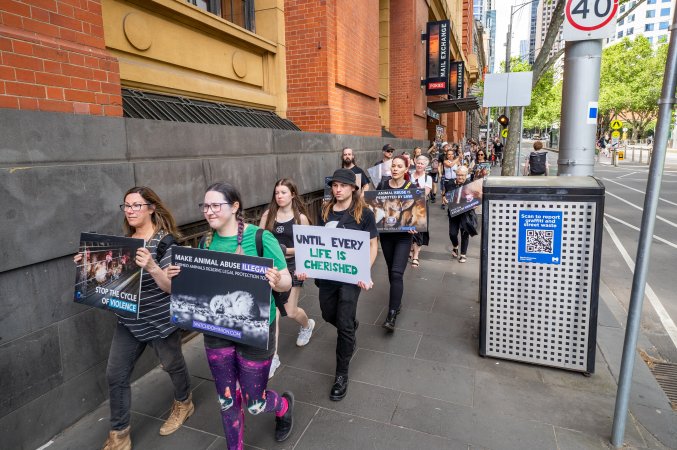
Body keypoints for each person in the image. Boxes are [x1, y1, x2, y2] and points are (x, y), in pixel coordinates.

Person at [169, 182, 294, 448]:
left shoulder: (261, 238)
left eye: (216, 205)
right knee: (227, 399)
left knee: (255, 403)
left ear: (235, 206)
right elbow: (199, 286)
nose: (209, 211)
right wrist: (179, 277)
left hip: (255, 331)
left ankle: (283, 405)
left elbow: (287, 281)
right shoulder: (205, 241)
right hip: (217, 332)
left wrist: (276, 280)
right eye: (205, 206)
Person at [73, 186, 193, 450]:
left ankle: (184, 402)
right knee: (115, 374)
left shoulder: (165, 243)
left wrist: (152, 266)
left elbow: (172, 288)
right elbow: (110, 280)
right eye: (126, 205)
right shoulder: (124, 243)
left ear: (151, 208)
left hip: (160, 321)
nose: (130, 210)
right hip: (129, 320)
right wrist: (87, 265)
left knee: (172, 365)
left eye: (136, 205)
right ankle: (119, 434)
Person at [297, 169, 378, 401]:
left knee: (343, 324)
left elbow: (373, 245)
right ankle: (351, 328)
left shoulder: (365, 214)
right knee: (327, 313)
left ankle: (341, 375)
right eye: (334, 185)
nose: (338, 189)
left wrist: (366, 271)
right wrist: (306, 266)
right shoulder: (325, 211)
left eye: (343, 185)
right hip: (329, 276)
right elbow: (317, 244)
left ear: (353, 188)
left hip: (351, 278)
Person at [259, 178, 314, 378]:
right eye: (277, 193)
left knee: (290, 312)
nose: (279, 196)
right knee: (272, 313)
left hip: (293, 265)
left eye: (283, 192)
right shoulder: (268, 215)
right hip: (272, 268)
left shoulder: (301, 218)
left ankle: (307, 325)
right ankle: (273, 357)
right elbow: (260, 240)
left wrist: (285, 250)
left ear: (292, 194)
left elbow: (307, 248)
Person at [376, 155, 417, 331]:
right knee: (391, 270)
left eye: (399, 166)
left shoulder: (412, 187)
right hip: (386, 235)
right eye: (393, 166)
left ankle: (392, 314)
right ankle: (397, 301)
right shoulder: (383, 185)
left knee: (396, 273)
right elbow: (377, 209)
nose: (395, 169)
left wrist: (415, 225)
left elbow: (417, 214)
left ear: (406, 170)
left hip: (403, 237)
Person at [446, 167, 478, 263]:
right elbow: (446, 195)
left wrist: (474, 204)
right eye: (458, 175)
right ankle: (455, 246)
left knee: (464, 234)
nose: (460, 177)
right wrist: (445, 199)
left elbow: (475, 198)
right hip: (454, 212)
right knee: (452, 234)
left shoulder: (470, 185)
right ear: (456, 174)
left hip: (466, 213)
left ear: (466, 175)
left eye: (462, 175)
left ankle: (463, 254)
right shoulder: (450, 183)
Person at [409, 155, 432, 268]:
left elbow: (425, 193)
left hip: (421, 207)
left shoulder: (428, 178)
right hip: (408, 206)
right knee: (408, 229)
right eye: (418, 163)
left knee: (418, 231)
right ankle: (410, 249)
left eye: (422, 163)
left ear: (426, 166)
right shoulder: (409, 176)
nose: (419, 165)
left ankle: (416, 256)